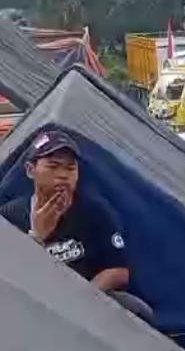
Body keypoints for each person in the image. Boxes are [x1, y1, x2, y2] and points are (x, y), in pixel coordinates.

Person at [0, 130, 152, 322]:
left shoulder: (94, 210)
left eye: (70, 168)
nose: (63, 175)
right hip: (32, 300)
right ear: (31, 170)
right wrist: (37, 237)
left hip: (88, 299)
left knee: (137, 309)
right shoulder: (10, 215)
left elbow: (118, 270)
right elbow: (10, 273)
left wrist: (82, 298)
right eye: (53, 166)